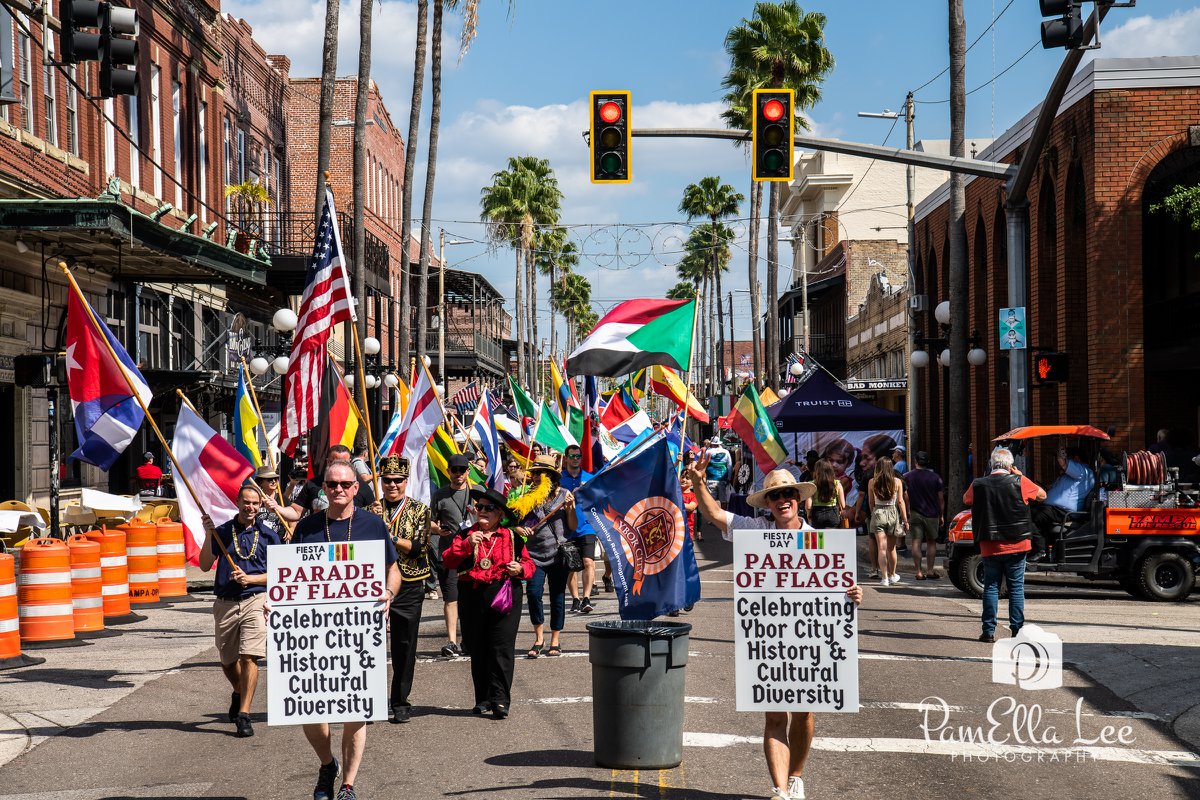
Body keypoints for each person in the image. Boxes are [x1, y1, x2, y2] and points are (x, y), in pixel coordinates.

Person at [686, 454, 862, 800]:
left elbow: (839, 587)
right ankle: (780, 789)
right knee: (774, 715)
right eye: (775, 497)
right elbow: (715, 515)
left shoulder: (818, 540)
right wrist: (697, 483)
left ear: (800, 500)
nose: (782, 501)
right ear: (767, 503)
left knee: (805, 714)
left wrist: (852, 593)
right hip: (769, 640)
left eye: (789, 495)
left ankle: (796, 775)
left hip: (810, 641)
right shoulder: (756, 532)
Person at [291, 460, 400, 800]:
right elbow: (290, 577)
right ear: (323, 488)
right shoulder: (306, 528)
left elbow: (393, 569)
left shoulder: (372, 525)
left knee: (357, 708)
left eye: (344, 484)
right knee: (311, 707)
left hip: (358, 633)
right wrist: (275, 602)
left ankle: (348, 785)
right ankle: (327, 765)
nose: (338, 489)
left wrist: (388, 592)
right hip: (313, 634)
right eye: (331, 483)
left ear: (356, 488)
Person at [442, 486, 535, 719]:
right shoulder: (465, 535)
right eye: (479, 507)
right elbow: (448, 560)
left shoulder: (512, 537)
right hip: (472, 595)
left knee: (501, 647)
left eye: (488, 508)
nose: (482, 511)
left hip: (504, 593)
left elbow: (530, 565)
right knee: (478, 647)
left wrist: (521, 569)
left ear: (500, 514)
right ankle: (483, 699)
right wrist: (467, 545)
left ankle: (501, 699)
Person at [198, 486, 280, 739]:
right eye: (246, 502)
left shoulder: (268, 536)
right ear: (237, 502)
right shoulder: (222, 532)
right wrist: (208, 534)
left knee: (249, 657)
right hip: (225, 603)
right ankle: (238, 690)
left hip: (256, 599)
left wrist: (252, 579)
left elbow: (279, 573)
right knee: (227, 660)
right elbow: (202, 566)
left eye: (255, 503)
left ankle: (244, 714)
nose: (251, 507)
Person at [963, 448, 1046, 643]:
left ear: (992, 464)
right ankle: (1017, 631)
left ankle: (989, 631)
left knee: (991, 586)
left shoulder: (979, 484)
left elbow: (966, 499)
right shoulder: (1020, 482)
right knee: (1016, 588)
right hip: (1018, 543)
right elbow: (1042, 495)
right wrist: (1020, 475)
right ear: (1010, 465)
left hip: (990, 544)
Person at [376, 456, 430, 724]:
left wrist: (389, 535)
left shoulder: (419, 510)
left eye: (397, 480)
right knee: (367, 644)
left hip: (409, 583)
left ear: (406, 482)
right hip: (375, 583)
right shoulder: (370, 509)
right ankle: (367, 699)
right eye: (387, 480)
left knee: (404, 645)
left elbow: (420, 547)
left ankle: (399, 701)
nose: (392, 485)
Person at [518, 455, 576, 656]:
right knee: (533, 594)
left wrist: (570, 509)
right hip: (534, 555)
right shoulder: (527, 497)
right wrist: (520, 529)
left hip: (558, 554)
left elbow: (573, 526)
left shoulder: (565, 495)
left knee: (557, 596)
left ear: (550, 476)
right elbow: (516, 522)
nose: (535, 477)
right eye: (534, 473)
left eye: (540, 474)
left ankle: (555, 640)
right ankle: (538, 638)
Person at [429, 453, 474, 658]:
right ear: (448, 472)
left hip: (475, 555)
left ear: (468, 471)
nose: (458, 474)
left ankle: (470, 639)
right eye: (454, 470)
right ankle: (452, 641)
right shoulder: (439, 495)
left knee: (472, 598)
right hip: (449, 554)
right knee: (451, 598)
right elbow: (430, 521)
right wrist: (438, 530)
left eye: (461, 470)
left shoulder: (478, 491)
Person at [1030, 447, 1095, 560]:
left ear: (1076, 459)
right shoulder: (1071, 476)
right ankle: (1046, 549)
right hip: (1054, 509)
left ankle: (1040, 550)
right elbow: (1052, 488)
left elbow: (1063, 463)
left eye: (1070, 458)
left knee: (1030, 518)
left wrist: (1061, 454)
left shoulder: (1082, 471)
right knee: (1033, 510)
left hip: (1062, 511)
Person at [559, 444, 598, 608]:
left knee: (588, 562)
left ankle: (586, 598)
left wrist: (586, 492)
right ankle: (575, 599)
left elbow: (597, 500)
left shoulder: (589, 478)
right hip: (566, 527)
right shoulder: (559, 479)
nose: (575, 459)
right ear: (566, 458)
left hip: (587, 526)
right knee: (571, 566)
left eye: (578, 456)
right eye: (572, 456)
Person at [902, 452, 944, 580]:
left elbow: (905, 496)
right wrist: (941, 515)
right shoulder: (936, 477)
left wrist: (907, 512)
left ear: (916, 461)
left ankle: (919, 572)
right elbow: (940, 498)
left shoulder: (907, 477)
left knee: (916, 541)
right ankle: (930, 570)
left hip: (914, 512)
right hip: (932, 513)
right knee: (931, 542)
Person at [867, 457, 908, 586]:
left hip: (878, 512)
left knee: (881, 548)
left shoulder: (872, 482)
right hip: (892, 513)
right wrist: (905, 519)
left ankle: (884, 577)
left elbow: (870, 502)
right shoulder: (897, 482)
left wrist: (873, 512)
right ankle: (892, 575)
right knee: (891, 548)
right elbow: (900, 501)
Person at [804, 459, 845, 530]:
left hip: (817, 515)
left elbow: (808, 506)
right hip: (833, 513)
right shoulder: (837, 484)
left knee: (820, 539)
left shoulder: (811, 484)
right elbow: (843, 505)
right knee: (832, 538)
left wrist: (809, 516)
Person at [251, 465, 287, 540]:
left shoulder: (283, 499)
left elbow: (292, 521)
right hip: (259, 541)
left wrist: (291, 528)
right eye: (270, 479)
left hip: (279, 542)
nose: (273, 481)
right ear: (260, 482)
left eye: (275, 479)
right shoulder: (254, 500)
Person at [704, 436, 733, 503]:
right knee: (723, 500)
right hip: (722, 479)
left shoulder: (707, 452)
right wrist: (729, 478)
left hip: (710, 478)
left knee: (711, 500)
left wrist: (707, 447)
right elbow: (730, 466)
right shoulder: (726, 452)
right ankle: (724, 512)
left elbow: (698, 455)